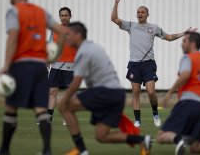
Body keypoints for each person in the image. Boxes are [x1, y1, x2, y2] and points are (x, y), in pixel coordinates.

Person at [0, 0, 66, 155]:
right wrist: (54, 55)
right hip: (40, 67)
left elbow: (13, 38)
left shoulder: (14, 11)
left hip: (21, 65)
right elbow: (62, 32)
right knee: (41, 109)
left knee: (11, 108)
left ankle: (4, 150)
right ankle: (46, 151)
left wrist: (6, 66)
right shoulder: (41, 12)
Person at [58, 22, 152, 155]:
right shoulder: (92, 47)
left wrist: (64, 99)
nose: (66, 37)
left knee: (65, 106)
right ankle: (142, 140)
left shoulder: (84, 51)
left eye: (68, 34)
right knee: (101, 136)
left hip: (105, 92)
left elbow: (76, 82)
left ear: (78, 35)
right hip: (116, 94)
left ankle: (81, 149)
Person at [111, 0, 197, 127]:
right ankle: (137, 120)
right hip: (134, 64)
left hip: (148, 64)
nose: (140, 14)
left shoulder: (154, 28)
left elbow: (169, 37)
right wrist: (116, 4)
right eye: (138, 12)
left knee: (151, 91)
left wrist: (185, 33)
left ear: (147, 14)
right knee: (135, 91)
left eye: (142, 12)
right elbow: (114, 19)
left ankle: (155, 113)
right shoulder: (131, 26)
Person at [47, 7, 76, 125]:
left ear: (70, 16)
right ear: (59, 16)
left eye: (66, 15)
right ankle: (49, 118)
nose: (64, 17)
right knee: (52, 91)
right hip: (56, 65)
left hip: (71, 66)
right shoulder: (55, 30)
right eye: (62, 15)